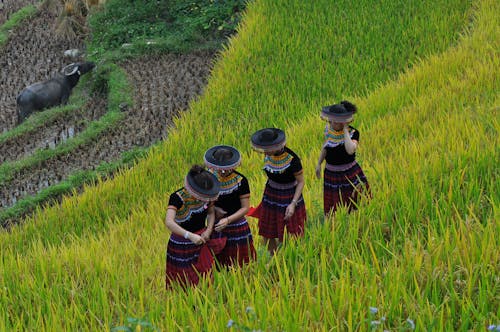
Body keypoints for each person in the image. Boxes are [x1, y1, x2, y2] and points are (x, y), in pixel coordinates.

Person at [165, 165, 224, 288]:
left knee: (208, 272)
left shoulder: (207, 196)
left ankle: (209, 300)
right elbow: (169, 222)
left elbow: (210, 212)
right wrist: (189, 235)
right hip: (181, 243)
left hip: (201, 239)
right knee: (184, 281)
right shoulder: (177, 198)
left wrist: (208, 230)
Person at [250, 128, 307, 255]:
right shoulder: (269, 156)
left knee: (292, 232)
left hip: (289, 196)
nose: (265, 152)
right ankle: (273, 256)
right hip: (271, 195)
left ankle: (292, 257)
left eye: (267, 148)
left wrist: (293, 203)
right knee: (268, 230)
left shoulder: (293, 160)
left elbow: (301, 182)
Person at [204, 145, 256, 267]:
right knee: (218, 264)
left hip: (237, 225)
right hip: (215, 225)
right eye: (220, 169)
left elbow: (245, 208)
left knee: (241, 263)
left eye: (226, 169)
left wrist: (227, 220)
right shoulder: (209, 180)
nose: (223, 172)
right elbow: (204, 204)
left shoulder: (241, 181)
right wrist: (214, 210)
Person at [315, 100, 370, 216]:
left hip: (349, 171)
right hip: (331, 172)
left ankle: (355, 219)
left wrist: (345, 129)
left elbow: (350, 150)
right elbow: (326, 146)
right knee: (333, 203)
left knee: (354, 200)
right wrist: (319, 163)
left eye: (336, 121)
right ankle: (332, 223)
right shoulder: (329, 130)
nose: (332, 123)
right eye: (332, 120)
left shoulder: (353, 133)